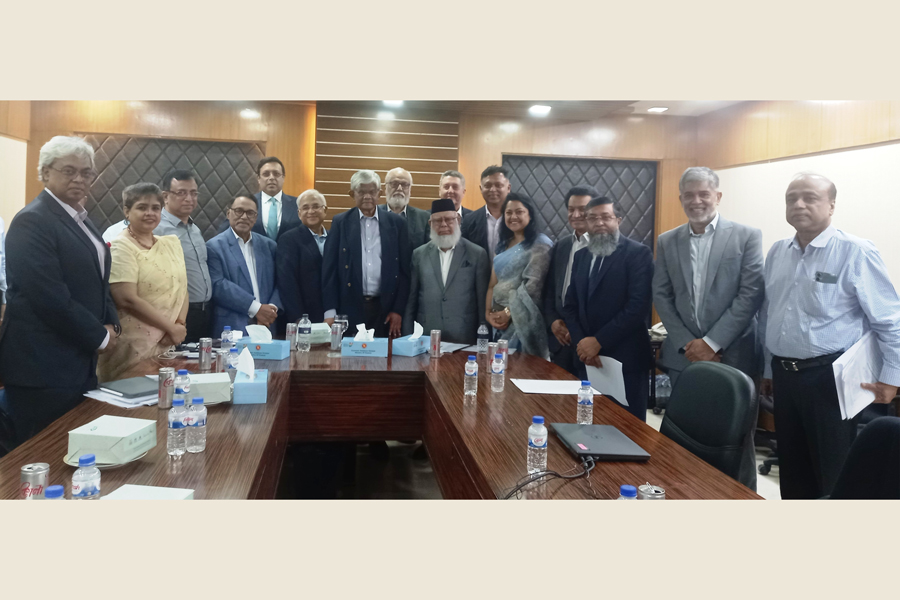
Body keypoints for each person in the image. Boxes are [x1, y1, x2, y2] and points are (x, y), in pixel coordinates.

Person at [759, 172, 900, 499]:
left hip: (831, 378)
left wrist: (892, 378)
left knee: (834, 473)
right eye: (791, 198)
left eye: (810, 197)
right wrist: (768, 369)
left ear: (831, 205)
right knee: (792, 470)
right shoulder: (778, 252)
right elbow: (770, 314)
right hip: (785, 375)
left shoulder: (855, 252)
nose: (799, 204)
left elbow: (890, 320)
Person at [0, 136, 121, 448]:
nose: (79, 179)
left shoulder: (80, 218)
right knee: (39, 453)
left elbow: (99, 281)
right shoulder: (32, 221)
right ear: (45, 172)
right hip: (41, 364)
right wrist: (99, 336)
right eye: (69, 171)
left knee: (75, 449)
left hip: (77, 358)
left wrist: (112, 323)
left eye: (86, 172)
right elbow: (48, 296)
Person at [652, 167, 765, 490]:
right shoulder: (668, 240)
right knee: (686, 435)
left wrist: (713, 343)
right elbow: (661, 294)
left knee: (737, 443)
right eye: (689, 195)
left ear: (717, 196)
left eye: (704, 194)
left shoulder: (746, 235)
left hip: (734, 354)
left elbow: (751, 293)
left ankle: (739, 501)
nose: (696, 200)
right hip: (685, 357)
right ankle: (683, 495)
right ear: (680, 198)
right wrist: (690, 343)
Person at [563, 196, 654, 421]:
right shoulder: (581, 255)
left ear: (618, 220)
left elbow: (637, 307)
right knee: (589, 424)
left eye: (606, 217)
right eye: (592, 218)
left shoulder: (638, 254)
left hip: (625, 360)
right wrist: (582, 343)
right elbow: (570, 305)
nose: (599, 223)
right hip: (587, 360)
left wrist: (598, 341)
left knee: (628, 430)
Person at [97, 183, 188, 382]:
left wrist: (178, 325)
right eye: (142, 207)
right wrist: (170, 328)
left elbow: (182, 288)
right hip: (133, 346)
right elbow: (126, 299)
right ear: (127, 211)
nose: (150, 213)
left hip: (168, 341)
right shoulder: (120, 247)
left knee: (164, 400)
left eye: (156, 208)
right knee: (131, 406)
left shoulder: (170, 244)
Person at [322, 170, 411, 338]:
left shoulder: (397, 224)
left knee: (385, 361)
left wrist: (398, 310)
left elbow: (405, 272)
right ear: (352, 194)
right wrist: (330, 312)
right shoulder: (341, 222)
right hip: (349, 308)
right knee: (350, 360)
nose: (367, 196)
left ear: (380, 193)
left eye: (372, 191)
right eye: (361, 191)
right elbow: (329, 270)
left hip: (385, 309)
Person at [404, 199, 490, 344]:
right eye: (438, 221)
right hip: (426, 336)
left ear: (458, 220)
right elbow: (411, 300)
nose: (443, 225)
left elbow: (483, 302)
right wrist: (407, 337)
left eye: (449, 219)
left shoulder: (476, 254)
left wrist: (483, 339)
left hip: (464, 336)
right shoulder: (419, 254)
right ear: (431, 224)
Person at [485, 192, 552, 357]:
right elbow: (493, 284)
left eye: (519, 212)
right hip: (498, 321)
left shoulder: (540, 244)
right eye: (508, 213)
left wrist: (508, 313)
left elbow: (534, 287)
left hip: (522, 322)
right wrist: (488, 313)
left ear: (529, 214)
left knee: (519, 370)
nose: (513, 216)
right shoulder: (502, 245)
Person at [207, 194, 282, 335]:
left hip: (267, 325)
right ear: (228, 213)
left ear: (256, 217)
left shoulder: (269, 246)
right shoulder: (214, 247)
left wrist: (271, 309)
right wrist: (256, 308)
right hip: (232, 327)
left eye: (250, 213)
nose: (244, 217)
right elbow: (219, 285)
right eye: (238, 211)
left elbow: (282, 281)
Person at [154, 169, 213, 342]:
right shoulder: (156, 229)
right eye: (181, 193)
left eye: (193, 193)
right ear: (165, 196)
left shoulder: (195, 229)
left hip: (206, 312)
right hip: (175, 315)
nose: (189, 199)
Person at [543, 186, 596, 376]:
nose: (576, 214)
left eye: (582, 209)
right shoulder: (562, 246)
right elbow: (549, 291)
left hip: (591, 344)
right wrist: (553, 322)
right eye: (571, 209)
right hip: (561, 342)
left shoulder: (605, 247)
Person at [277, 189, 328, 324]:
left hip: (332, 315)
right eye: (305, 208)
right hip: (304, 315)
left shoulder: (335, 238)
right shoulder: (288, 240)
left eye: (316, 206)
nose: (311, 211)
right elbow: (287, 283)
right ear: (299, 214)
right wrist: (298, 317)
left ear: (325, 210)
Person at [461, 165, 511, 261]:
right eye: (487, 186)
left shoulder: (517, 219)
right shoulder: (469, 220)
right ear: (481, 189)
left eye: (498, 185)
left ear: (508, 188)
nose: (492, 190)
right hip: (479, 275)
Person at [379, 167, 429, 249]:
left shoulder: (424, 218)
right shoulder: (374, 214)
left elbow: (428, 253)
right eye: (394, 184)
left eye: (404, 184)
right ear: (385, 188)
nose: (399, 188)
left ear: (410, 190)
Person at [253, 156, 300, 241]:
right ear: (258, 179)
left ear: (283, 178)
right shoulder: (248, 204)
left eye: (276, 174)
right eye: (266, 174)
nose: (271, 178)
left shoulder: (298, 204)